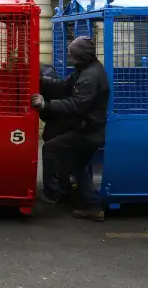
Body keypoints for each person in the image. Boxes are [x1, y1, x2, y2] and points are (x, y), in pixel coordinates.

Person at [32, 36, 109, 222]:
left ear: (80, 56)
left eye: (71, 55)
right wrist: (38, 80)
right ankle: (89, 204)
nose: (69, 58)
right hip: (88, 129)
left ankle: (54, 193)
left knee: (50, 148)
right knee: (76, 165)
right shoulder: (86, 69)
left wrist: (46, 105)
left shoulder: (90, 77)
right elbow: (65, 85)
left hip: (88, 132)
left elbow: (75, 104)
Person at [38, 64, 76, 201]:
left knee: (52, 150)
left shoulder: (44, 75)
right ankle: (60, 188)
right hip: (59, 118)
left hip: (61, 119)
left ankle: (54, 191)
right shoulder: (45, 70)